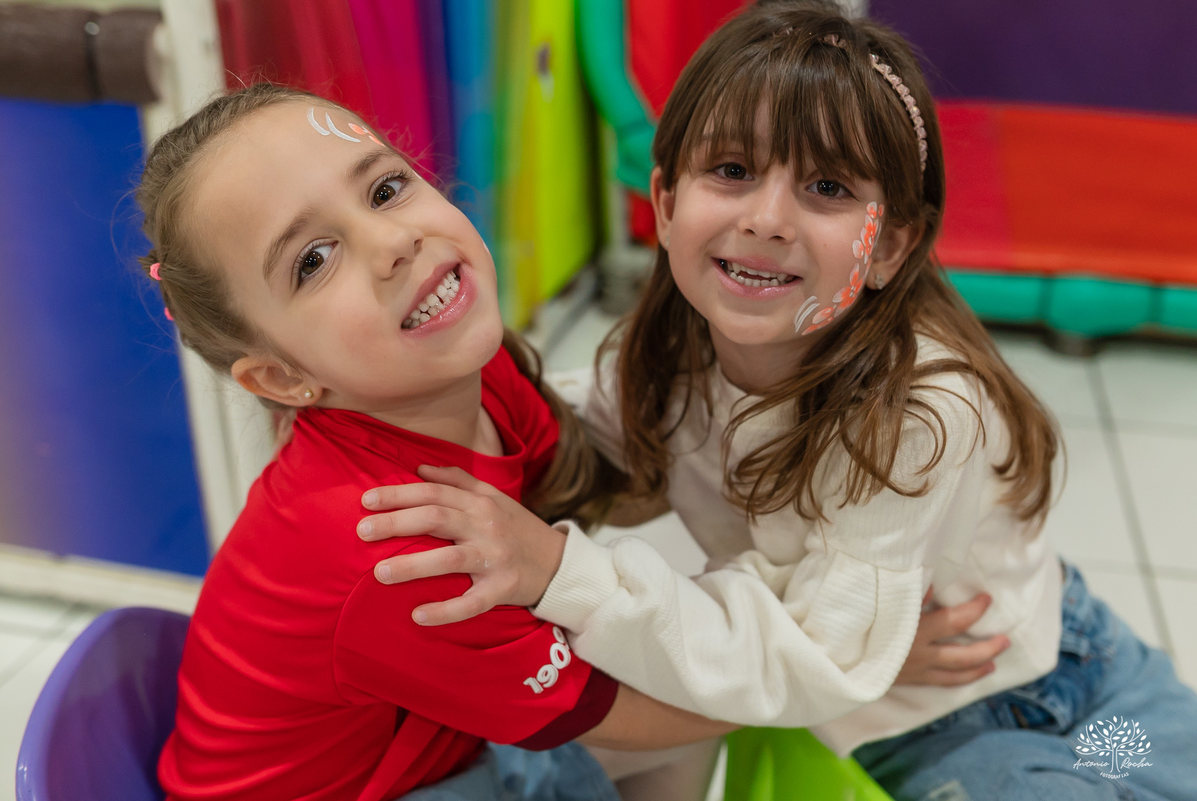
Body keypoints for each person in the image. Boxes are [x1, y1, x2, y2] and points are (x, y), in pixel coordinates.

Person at [355, 2, 1197, 799]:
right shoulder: (668, 353)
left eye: (827, 188)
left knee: (1133, 770)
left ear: (890, 246)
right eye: (731, 170)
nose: (767, 217)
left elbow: (810, 654)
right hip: (921, 706)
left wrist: (560, 571)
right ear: (668, 201)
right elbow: (573, 430)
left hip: (1046, 676)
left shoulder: (924, 413)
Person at [139, 80, 987, 801]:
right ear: (282, 379)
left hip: (415, 744)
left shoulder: (481, 375)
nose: (393, 244)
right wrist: (834, 670)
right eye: (314, 260)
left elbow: (608, 482)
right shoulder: (390, 543)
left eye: (386, 189)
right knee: (670, 708)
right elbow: (617, 702)